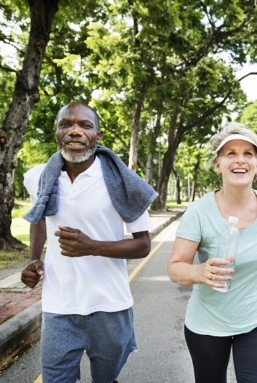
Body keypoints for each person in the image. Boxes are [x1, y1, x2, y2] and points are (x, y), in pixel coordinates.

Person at [21, 102, 158, 383]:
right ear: (56, 132)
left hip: (109, 306)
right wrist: (35, 259)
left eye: (84, 125)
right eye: (66, 124)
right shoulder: (37, 177)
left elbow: (143, 245)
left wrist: (92, 247)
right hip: (59, 305)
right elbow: (39, 219)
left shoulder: (123, 182)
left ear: (98, 135)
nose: (74, 131)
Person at [167, 122, 257, 383]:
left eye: (248, 154)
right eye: (231, 153)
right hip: (208, 322)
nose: (240, 160)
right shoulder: (199, 212)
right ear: (218, 164)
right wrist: (199, 271)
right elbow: (175, 267)